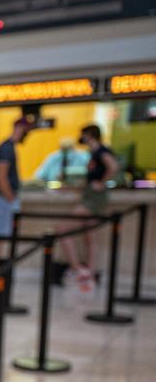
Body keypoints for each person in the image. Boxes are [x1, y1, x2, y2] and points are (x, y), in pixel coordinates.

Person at [62, 124, 119, 291]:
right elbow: (89, 180)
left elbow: (113, 167)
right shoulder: (94, 154)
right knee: (90, 237)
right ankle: (89, 275)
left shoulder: (101, 151)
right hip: (91, 197)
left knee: (63, 229)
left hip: (93, 200)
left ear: (89, 135)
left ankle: (77, 269)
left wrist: (101, 183)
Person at [0, 118, 32, 268]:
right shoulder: (6, 148)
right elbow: (1, 177)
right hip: (2, 199)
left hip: (4, 198)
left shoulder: (9, 147)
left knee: (1, 234)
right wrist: (11, 198)